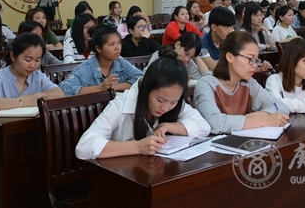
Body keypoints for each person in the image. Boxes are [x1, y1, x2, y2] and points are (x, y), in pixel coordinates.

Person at [75, 46, 211, 159]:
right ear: (146, 88)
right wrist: (138, 146)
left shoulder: (172, 100)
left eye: (173, 102)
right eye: (160, 100)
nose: (165, 108)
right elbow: (84, 147)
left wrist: (167, 126)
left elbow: (204, 127)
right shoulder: (121, 104)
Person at [194, 31, 289, 134]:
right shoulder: (206, 84)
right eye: (250, 59)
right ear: (230, 57)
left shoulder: (249, 83)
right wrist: (264, 119)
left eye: (256, 60)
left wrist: (252, 116)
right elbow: (215, 123)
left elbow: (281, 106)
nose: (255, 65)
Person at [0, 32, 64, 113]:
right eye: (28, 60)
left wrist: (32, 97)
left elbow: (59, 95)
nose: (33, 65)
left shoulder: (38, 76)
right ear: (13, 56)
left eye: (37, 60)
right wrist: (25, 101)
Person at [59, 25, 142, 96]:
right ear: (98, 48)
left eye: (119, 42)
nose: (118, 47)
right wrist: (99, 88)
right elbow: (64, 88)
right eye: (112, 44)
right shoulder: (85, 68)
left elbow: (142, 79)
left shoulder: (121, 62)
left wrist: (116, 86)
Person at [144, 32, 211, 81]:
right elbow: (146, 75)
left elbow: (205, 78)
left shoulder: (188, 62)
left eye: (191, 57)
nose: (186, 59)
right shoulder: (160, 55)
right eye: (186, 54)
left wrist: (196, 56)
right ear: (177, 44)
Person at [199, 7, 235, 71]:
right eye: (226, 27)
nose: (230, 31)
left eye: (231, 27)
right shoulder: (201, 43)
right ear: (214, 27)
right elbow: (216, 69)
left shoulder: (228, 42)